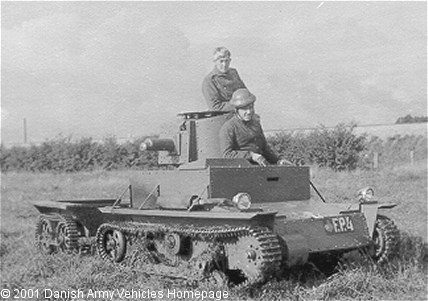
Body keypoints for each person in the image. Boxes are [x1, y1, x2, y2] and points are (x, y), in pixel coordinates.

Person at [219, 88, 293, 167]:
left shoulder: (256, 124)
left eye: (251, 107)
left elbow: (265, 148)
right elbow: (227, 154)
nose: (249, 112)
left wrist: (279, 160)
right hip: (241, 169)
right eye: (244, 109)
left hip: (260, 167)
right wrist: (251, 156)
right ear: (236, 110)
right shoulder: (229, 127)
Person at [202, 47, 247, 111]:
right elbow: (215, 107)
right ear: (215, 62)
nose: (224, 64)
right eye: (221, 61)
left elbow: (245, 93)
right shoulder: (209, 81)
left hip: (240, 113)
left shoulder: (233, 73)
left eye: (227, 61)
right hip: (223, 117)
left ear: (230, 60)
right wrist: (238, 103)